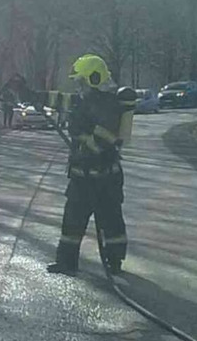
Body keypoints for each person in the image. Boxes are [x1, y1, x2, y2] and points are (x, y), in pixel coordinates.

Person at [30, 55, 137, 276]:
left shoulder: (108, 105)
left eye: (82, 81)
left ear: (94, 79)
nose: (79, 86)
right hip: (86, 178)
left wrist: (85, 143)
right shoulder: (85, 102)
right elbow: (60, 100)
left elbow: (104, 141)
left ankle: (114, 262)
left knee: (111, 221)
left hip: (102, 178)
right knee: (73, 222)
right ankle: (67, 263)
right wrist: (29, 94)